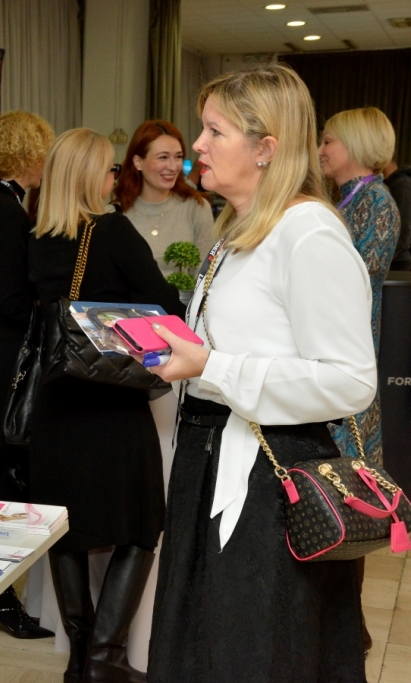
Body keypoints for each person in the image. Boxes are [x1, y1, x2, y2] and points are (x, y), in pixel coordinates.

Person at [146, 63, 376, 683]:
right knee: (202, 645)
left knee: (253, 652)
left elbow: (351, 380)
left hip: (269, 481)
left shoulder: (309, 234)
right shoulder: (238, 228)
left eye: (214, 131)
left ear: (266, 148)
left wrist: (213, 364)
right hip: (210, 462)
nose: (197, 145)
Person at [29, 128, 184, 683]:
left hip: (56, 404)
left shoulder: (38, 239)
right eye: (108, 168)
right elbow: (164, 304)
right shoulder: (113, 231)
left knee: (66, 529)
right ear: (89, 175)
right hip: (111, 403)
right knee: (142, 524)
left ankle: (81, 657)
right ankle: (104, 657)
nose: (114, 176)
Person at [0, 110, 55, 640]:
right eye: (42, 151)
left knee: (5, 473)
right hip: (6, 359)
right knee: (2, 478)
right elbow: (10, 300)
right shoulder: (4, 213)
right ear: (26, 155)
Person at [318, 105, 400, 656]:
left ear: (355, 144)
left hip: (349, 373)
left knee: (349, 500)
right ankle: (338, 626)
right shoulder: (345, 201)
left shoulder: (376, 203)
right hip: (334, 366)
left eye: (328, 140)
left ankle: (350, 632)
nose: (320, 149)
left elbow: (348, 285)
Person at [114, 120, 215, 275]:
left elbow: (205, 275)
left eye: (178, 157)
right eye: (163, 157)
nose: (173, 167)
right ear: (138, 162)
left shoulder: (196, 208)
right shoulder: (116, 213)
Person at [384, 160, 411, 270]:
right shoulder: (393, 183)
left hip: (398, 261)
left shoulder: (402, 183)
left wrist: (385, 258)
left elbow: (404, 229)